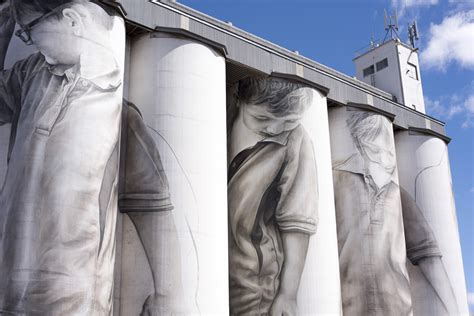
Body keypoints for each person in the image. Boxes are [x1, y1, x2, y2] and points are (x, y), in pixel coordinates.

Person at [0, 0, 124, 313]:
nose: (32, 44)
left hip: (70, 295)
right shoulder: (33, 73)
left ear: (71, 19)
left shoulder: (121, 107)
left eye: (30, 33)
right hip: (11, 285)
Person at [227, 76, 318, 315]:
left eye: (288, 121)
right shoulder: (218, 111)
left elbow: (297, 221)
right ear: (238, 101)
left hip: (254, 285)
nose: (274, 129)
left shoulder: (296, 140)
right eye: (262, 118)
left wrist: (288, 294)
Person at [332, 110, 412, 316]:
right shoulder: (337, 180)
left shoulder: (396, 193)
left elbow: (429, 254)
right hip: (350, 304)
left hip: (397, 307)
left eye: (389, 154)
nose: (385, 160)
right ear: (360, 146)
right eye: (375, 151)